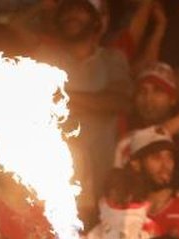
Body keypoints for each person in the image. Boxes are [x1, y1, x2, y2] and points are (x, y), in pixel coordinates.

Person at [36, 0, 131, 188]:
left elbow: (120, 102)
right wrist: (95, 101)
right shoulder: (43, 56)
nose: (72, 15)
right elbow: (34, 100)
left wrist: (61, 97)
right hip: (52, 173)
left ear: (97, 21)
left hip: (100, 174)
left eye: (80, 10)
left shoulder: (112, 58)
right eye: (67, 10)